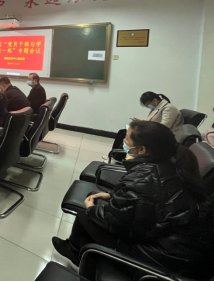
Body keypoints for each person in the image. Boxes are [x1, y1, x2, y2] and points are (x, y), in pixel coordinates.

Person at [53, 121, 214, 279]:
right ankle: (80, 249)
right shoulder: (174, 164)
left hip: (164, 258)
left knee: (86, 214)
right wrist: (114, 195)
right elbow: (150, 201)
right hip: (177, 249)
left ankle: (73, 251)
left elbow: (115, 221)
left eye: (127, 138)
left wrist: (91, 209)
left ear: (142, 150)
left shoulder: (145, 178)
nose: (124, 140)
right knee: (98, 207)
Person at [108, 92, 185, 162]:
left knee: (126, 134)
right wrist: (141, 121)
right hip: (154, 132)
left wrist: (144, 124)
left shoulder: (169, 108)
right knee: (122, 132)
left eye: (147, 104)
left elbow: (164, 126)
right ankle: (116, 156)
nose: (148, 106)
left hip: (162, 137)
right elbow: (152, 122)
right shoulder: (157, 108)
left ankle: (117, 157)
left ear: (155, 100)